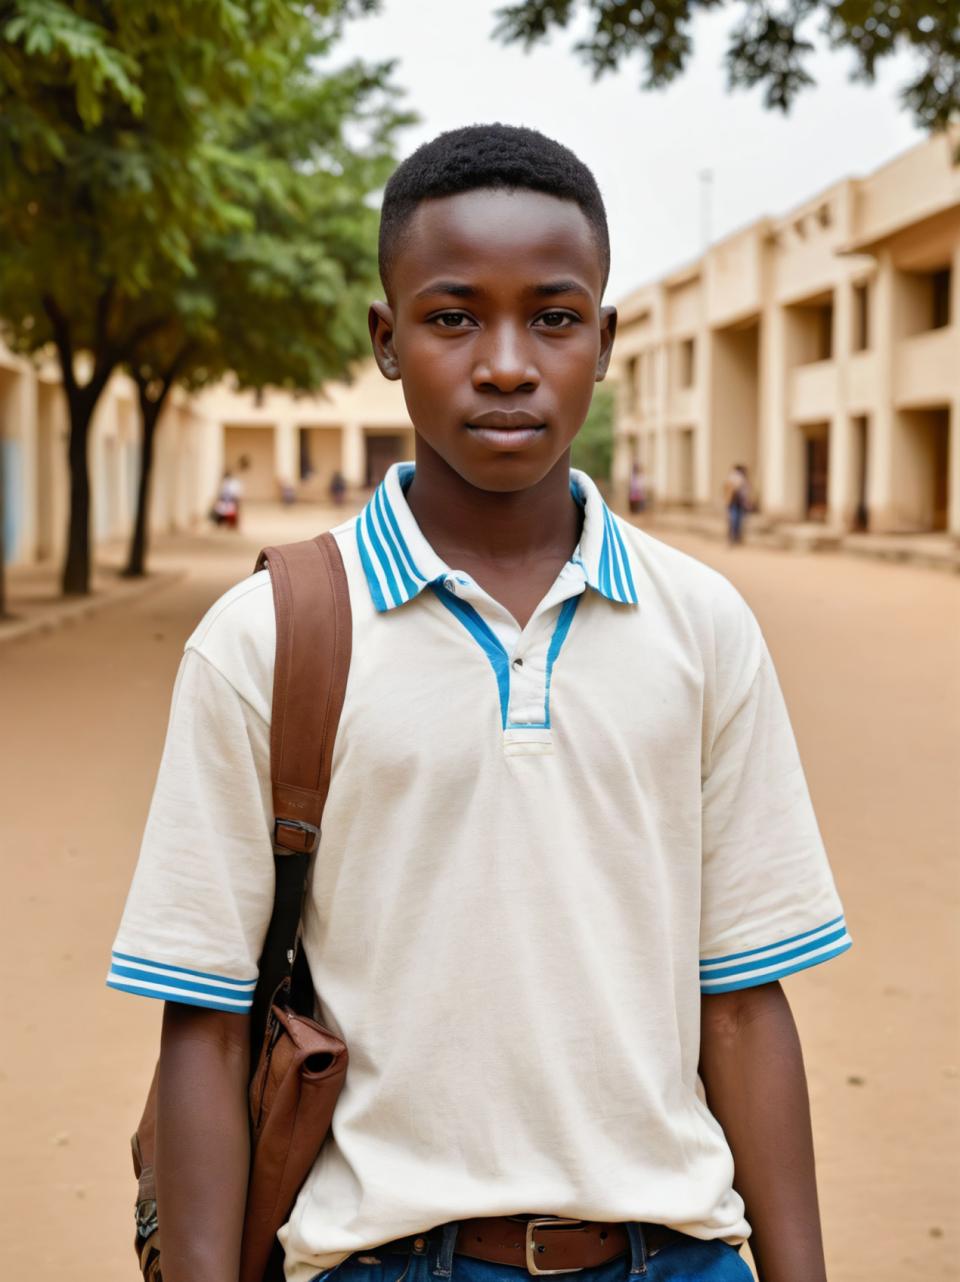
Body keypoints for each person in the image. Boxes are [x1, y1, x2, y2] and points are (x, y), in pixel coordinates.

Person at [108, 125, 851, 1282]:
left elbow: (746, 1006)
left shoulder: (701, 626)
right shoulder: (266, 640)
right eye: (453, 317)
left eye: (554, 317)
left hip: (679, 1256)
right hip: (385, 1259)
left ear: (604, 342)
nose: (506, 363)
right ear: (387, 339)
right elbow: (204, 1023)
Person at [724, 464, 750, 545]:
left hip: (736, 502)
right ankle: (734, 537)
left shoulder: (733, 477)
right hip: (735, 502)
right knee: (735, 520)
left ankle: (735, 537)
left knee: (735, 520)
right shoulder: (737, 477)